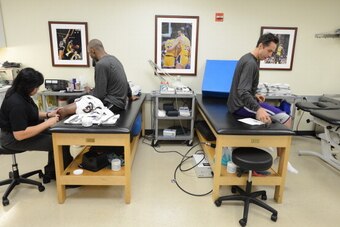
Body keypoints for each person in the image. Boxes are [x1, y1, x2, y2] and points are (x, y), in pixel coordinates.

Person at [227, 33, 298, 174]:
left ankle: (271, 150)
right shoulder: (250, 63)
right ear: (261, 46)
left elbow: (243, 87)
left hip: (238, 102)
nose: (270, 55)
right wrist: (258, 109)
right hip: (241, 105)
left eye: (272, 51)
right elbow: (242, 91)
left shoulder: (249, 58)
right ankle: (281, 158)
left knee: (273, 117)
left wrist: (255, 95)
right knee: (286, 120)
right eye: (269, 51)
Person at [0, 68, 73, 182]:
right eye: (37, 87)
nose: (38, 89)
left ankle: (52, 172)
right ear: (27, 86)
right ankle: (64, 178)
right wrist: (48, 123)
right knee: (58, 141)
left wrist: (48, 115)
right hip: (12, 139)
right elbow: (20, 135)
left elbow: (30, 113)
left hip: (21, 131)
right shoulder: (16, 103)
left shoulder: (20, 93)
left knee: (58, 134)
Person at [58, 39, 138, 119]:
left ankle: (60, 119)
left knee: (68, 106)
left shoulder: (101, 64)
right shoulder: (114, 59)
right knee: (74, 99)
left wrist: (89, 93)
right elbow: (125, 82)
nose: (90, 55)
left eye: (89, 53)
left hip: (113, 104)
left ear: (93, 51)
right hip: (120, 102)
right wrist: (130, 97)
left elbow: (99, 96)